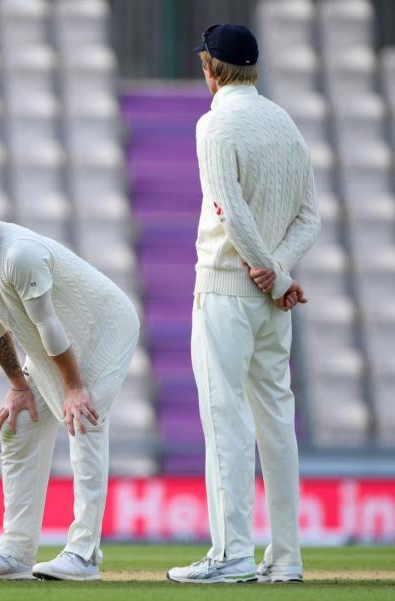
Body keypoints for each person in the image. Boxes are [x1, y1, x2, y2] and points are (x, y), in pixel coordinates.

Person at [166, 24, 320, 584]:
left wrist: (270, 276)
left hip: (228, 293)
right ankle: (286, 557)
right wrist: (280, 273)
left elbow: (229, 211)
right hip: (271, 305)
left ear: (211, 68)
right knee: (278, 425)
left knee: (225, 422)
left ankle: (231, 554)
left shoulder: (214, 123)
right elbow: (311, 216)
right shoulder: (282, 119)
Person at [0, 186, 139, 582]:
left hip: (103, 329)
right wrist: (18, 385)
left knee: (84, 421)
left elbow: (50, 327)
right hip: (50, 345)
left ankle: (83, 554)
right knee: (20, 425)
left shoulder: (19, 254)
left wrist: (75, 388)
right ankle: (15, 553)